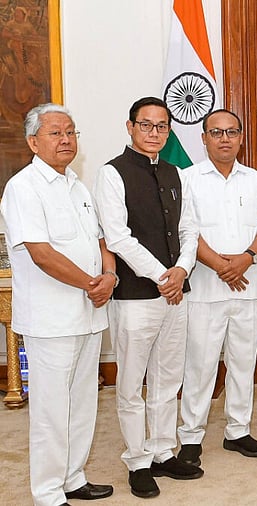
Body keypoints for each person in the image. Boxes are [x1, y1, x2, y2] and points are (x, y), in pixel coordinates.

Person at [1, 104, 115, 506]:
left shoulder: (77, 186)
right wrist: (90, 282)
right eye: (55, 133)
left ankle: (73, 477)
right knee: (51, 410)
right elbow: (40, 253)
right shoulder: (23, 187)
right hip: (51, 319)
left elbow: (100, 241)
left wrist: (110, 275)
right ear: (34, 141)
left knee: (84, 402)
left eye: (71, 132)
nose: (66, 139)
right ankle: (48, 493)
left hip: (89, 314)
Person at [93, 96, 201, 498]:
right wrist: (162, 275)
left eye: (162, 126)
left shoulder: (177, 173)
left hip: (176, 291)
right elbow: (118, 237)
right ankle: (137, 459)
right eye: (146, 125)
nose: (154, 133)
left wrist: (183, 270)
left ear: (169, 131)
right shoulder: (111, 174)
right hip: (137, 295)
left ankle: (161, 450)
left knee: (168, 377)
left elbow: (190, 228)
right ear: (130, 127)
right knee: (132, 381)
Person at [176, 109, 257, 466]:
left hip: (249, 285)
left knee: (243, 362)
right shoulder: (186, 179)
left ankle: (238, 430)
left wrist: (246, 258)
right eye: (216, 132)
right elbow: (187, 232)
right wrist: (220, 265)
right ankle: (191, 436)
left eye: (231, 132)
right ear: (203, 137)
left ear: (240, 137)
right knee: (200, 365)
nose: (224, 139)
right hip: (205, 287)